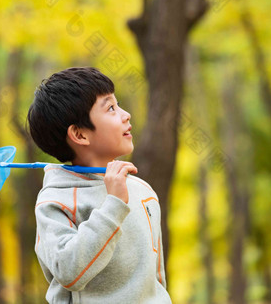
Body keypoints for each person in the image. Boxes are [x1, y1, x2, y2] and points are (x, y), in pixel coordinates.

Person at [26, 66, 172, 304]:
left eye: (118, 104)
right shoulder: (54, 202)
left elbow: (155, 280)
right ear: (80, 135)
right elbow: (68, 272)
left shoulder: (143, 191)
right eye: (111, 108)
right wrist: (113, 205)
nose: (126, 115)